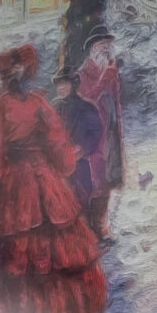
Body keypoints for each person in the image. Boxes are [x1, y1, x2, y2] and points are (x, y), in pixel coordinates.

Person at [0, 44, 107, 313]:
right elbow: (58, 147)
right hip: (42, 180)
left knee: (15, 250)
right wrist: (61, 165)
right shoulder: (38, 104)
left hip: (12, 182)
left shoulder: (4, 106)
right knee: (43, 248)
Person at [78, 25, 124, 242]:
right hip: (94, 137)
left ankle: (102, 227)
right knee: (94, 182)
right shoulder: (84, 73)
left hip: (111, 133)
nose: (106, 48)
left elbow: (115, 101)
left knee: (107, 180)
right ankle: (91, 230)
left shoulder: (111, 70)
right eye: (102, 45)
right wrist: (106, 77)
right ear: (92, 48)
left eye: (108, 45)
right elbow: (87, 98)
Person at [52, 66, 103, 210]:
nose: (61, 88)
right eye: (58, 85)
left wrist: (82, 148)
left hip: (79, 164)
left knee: (81, 202)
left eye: (64, 84)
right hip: (58, 164)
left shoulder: (86, 107)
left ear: (73, 85)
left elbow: (96, 132)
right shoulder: (54, 107)